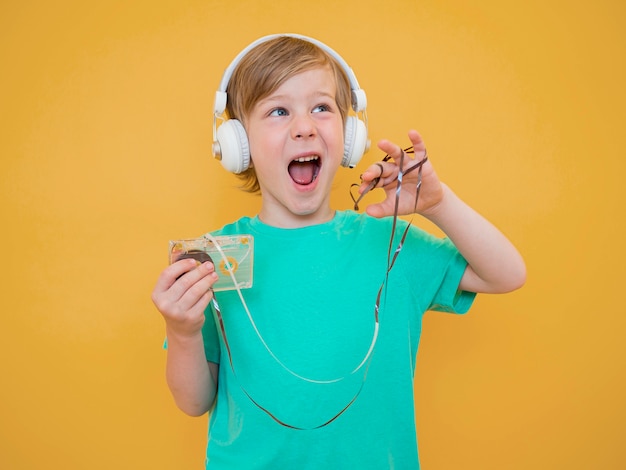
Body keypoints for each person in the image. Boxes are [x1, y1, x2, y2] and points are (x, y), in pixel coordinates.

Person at [151, 34, 526, 469]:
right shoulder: (215, 259)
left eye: (322, 108)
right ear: (238, 144)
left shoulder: (391, 244)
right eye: (278, 111)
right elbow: (194, 401)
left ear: (349, 135)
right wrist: (181, 330)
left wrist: (439, 205)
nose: (304, 126)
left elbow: (506, 273)